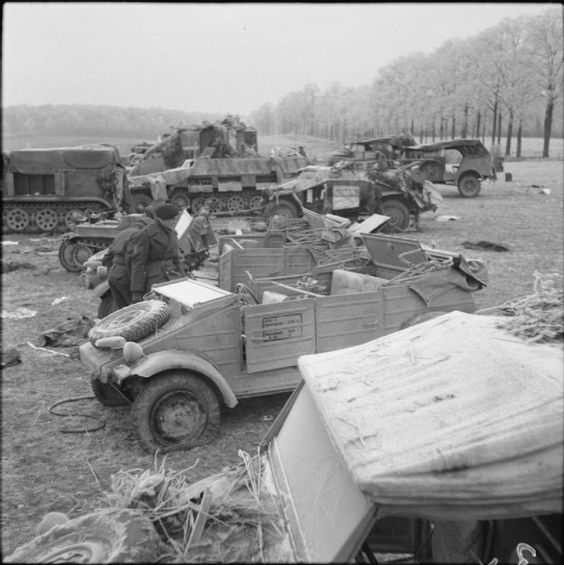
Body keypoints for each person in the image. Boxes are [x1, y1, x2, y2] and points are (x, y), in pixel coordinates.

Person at [129, 203, 186, 303]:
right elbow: (138, 264)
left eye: (175, 219)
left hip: (172, 275)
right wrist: (136, 291)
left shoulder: (172, 233)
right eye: (171, 219)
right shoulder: (146, 234)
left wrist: (184, 277)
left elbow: (176, 259)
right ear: (161, 219)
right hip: (155, 279)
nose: (174, 222)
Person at [105, 216, 153, 309]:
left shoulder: (123, 233)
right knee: (132, 309)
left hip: (113, 272)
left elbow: (107, 256)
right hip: (124, 274)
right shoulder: (138, 235)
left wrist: (111, 270)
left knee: (119, 309)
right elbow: (134, 261)